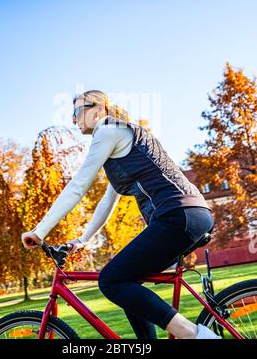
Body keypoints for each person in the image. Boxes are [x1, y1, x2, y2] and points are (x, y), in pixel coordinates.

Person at [22, 89, 221, 339]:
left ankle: (193, 334)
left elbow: (78, 186)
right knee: (128, 281)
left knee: (111, 280)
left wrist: (39, 231)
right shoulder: (122, 141)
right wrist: (84, 240)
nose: (73, 119)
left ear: (99, 109)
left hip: (177, 216)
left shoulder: (108, 131)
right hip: (191, 215)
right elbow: (107, 202)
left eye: (76, 111)